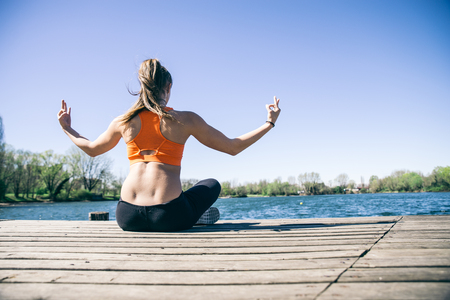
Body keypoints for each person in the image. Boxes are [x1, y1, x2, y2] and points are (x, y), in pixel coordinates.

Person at [57, 58, 281, 232]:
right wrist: (269, 123)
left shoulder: (123, 122)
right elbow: (233, 147)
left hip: (126, 216)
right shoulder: (185, 119)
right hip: (169, 215)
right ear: (169, 86)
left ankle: (192, 213)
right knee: (211, 184)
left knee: (184, 198)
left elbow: (92, 149)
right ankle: (194, 214)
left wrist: (68, 128)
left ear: (142, 87)